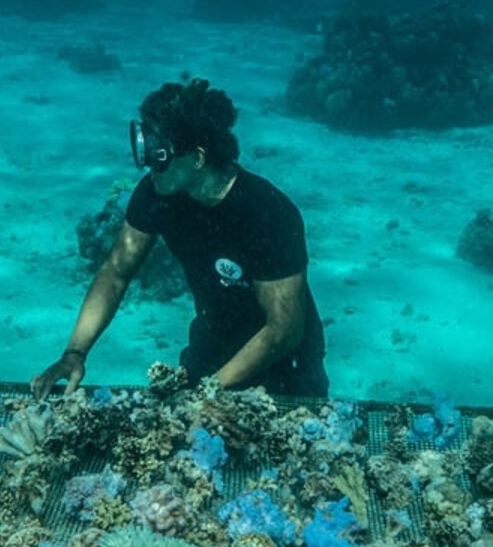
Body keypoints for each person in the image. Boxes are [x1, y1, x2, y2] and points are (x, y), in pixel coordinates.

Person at [35, 77, 325, 398]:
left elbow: (283, 330)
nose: (148, 164)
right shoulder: (157, 194)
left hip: (286, 365)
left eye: (158, 152)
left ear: (198, 158)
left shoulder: (267, 213)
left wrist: (207, 392)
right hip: (212, 340)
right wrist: (73, 355)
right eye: (143, 146)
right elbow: (116, 273)